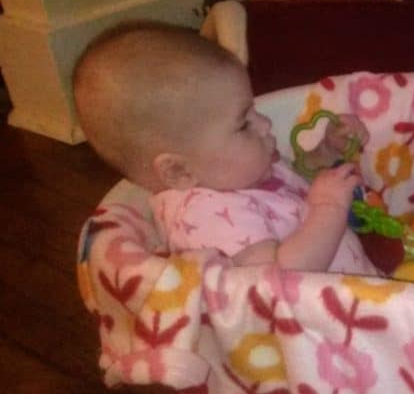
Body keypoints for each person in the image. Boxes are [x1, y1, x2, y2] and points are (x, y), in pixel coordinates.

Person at [73, 21, 379, 275]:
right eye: (243, 123)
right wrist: (329, 209)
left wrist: (326, 151)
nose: (265, 125)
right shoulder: (206, 215)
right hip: (325, 337)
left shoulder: (238, 172)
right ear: (179, 171)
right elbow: (278, 282)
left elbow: (295, 189)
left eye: (254, 111)